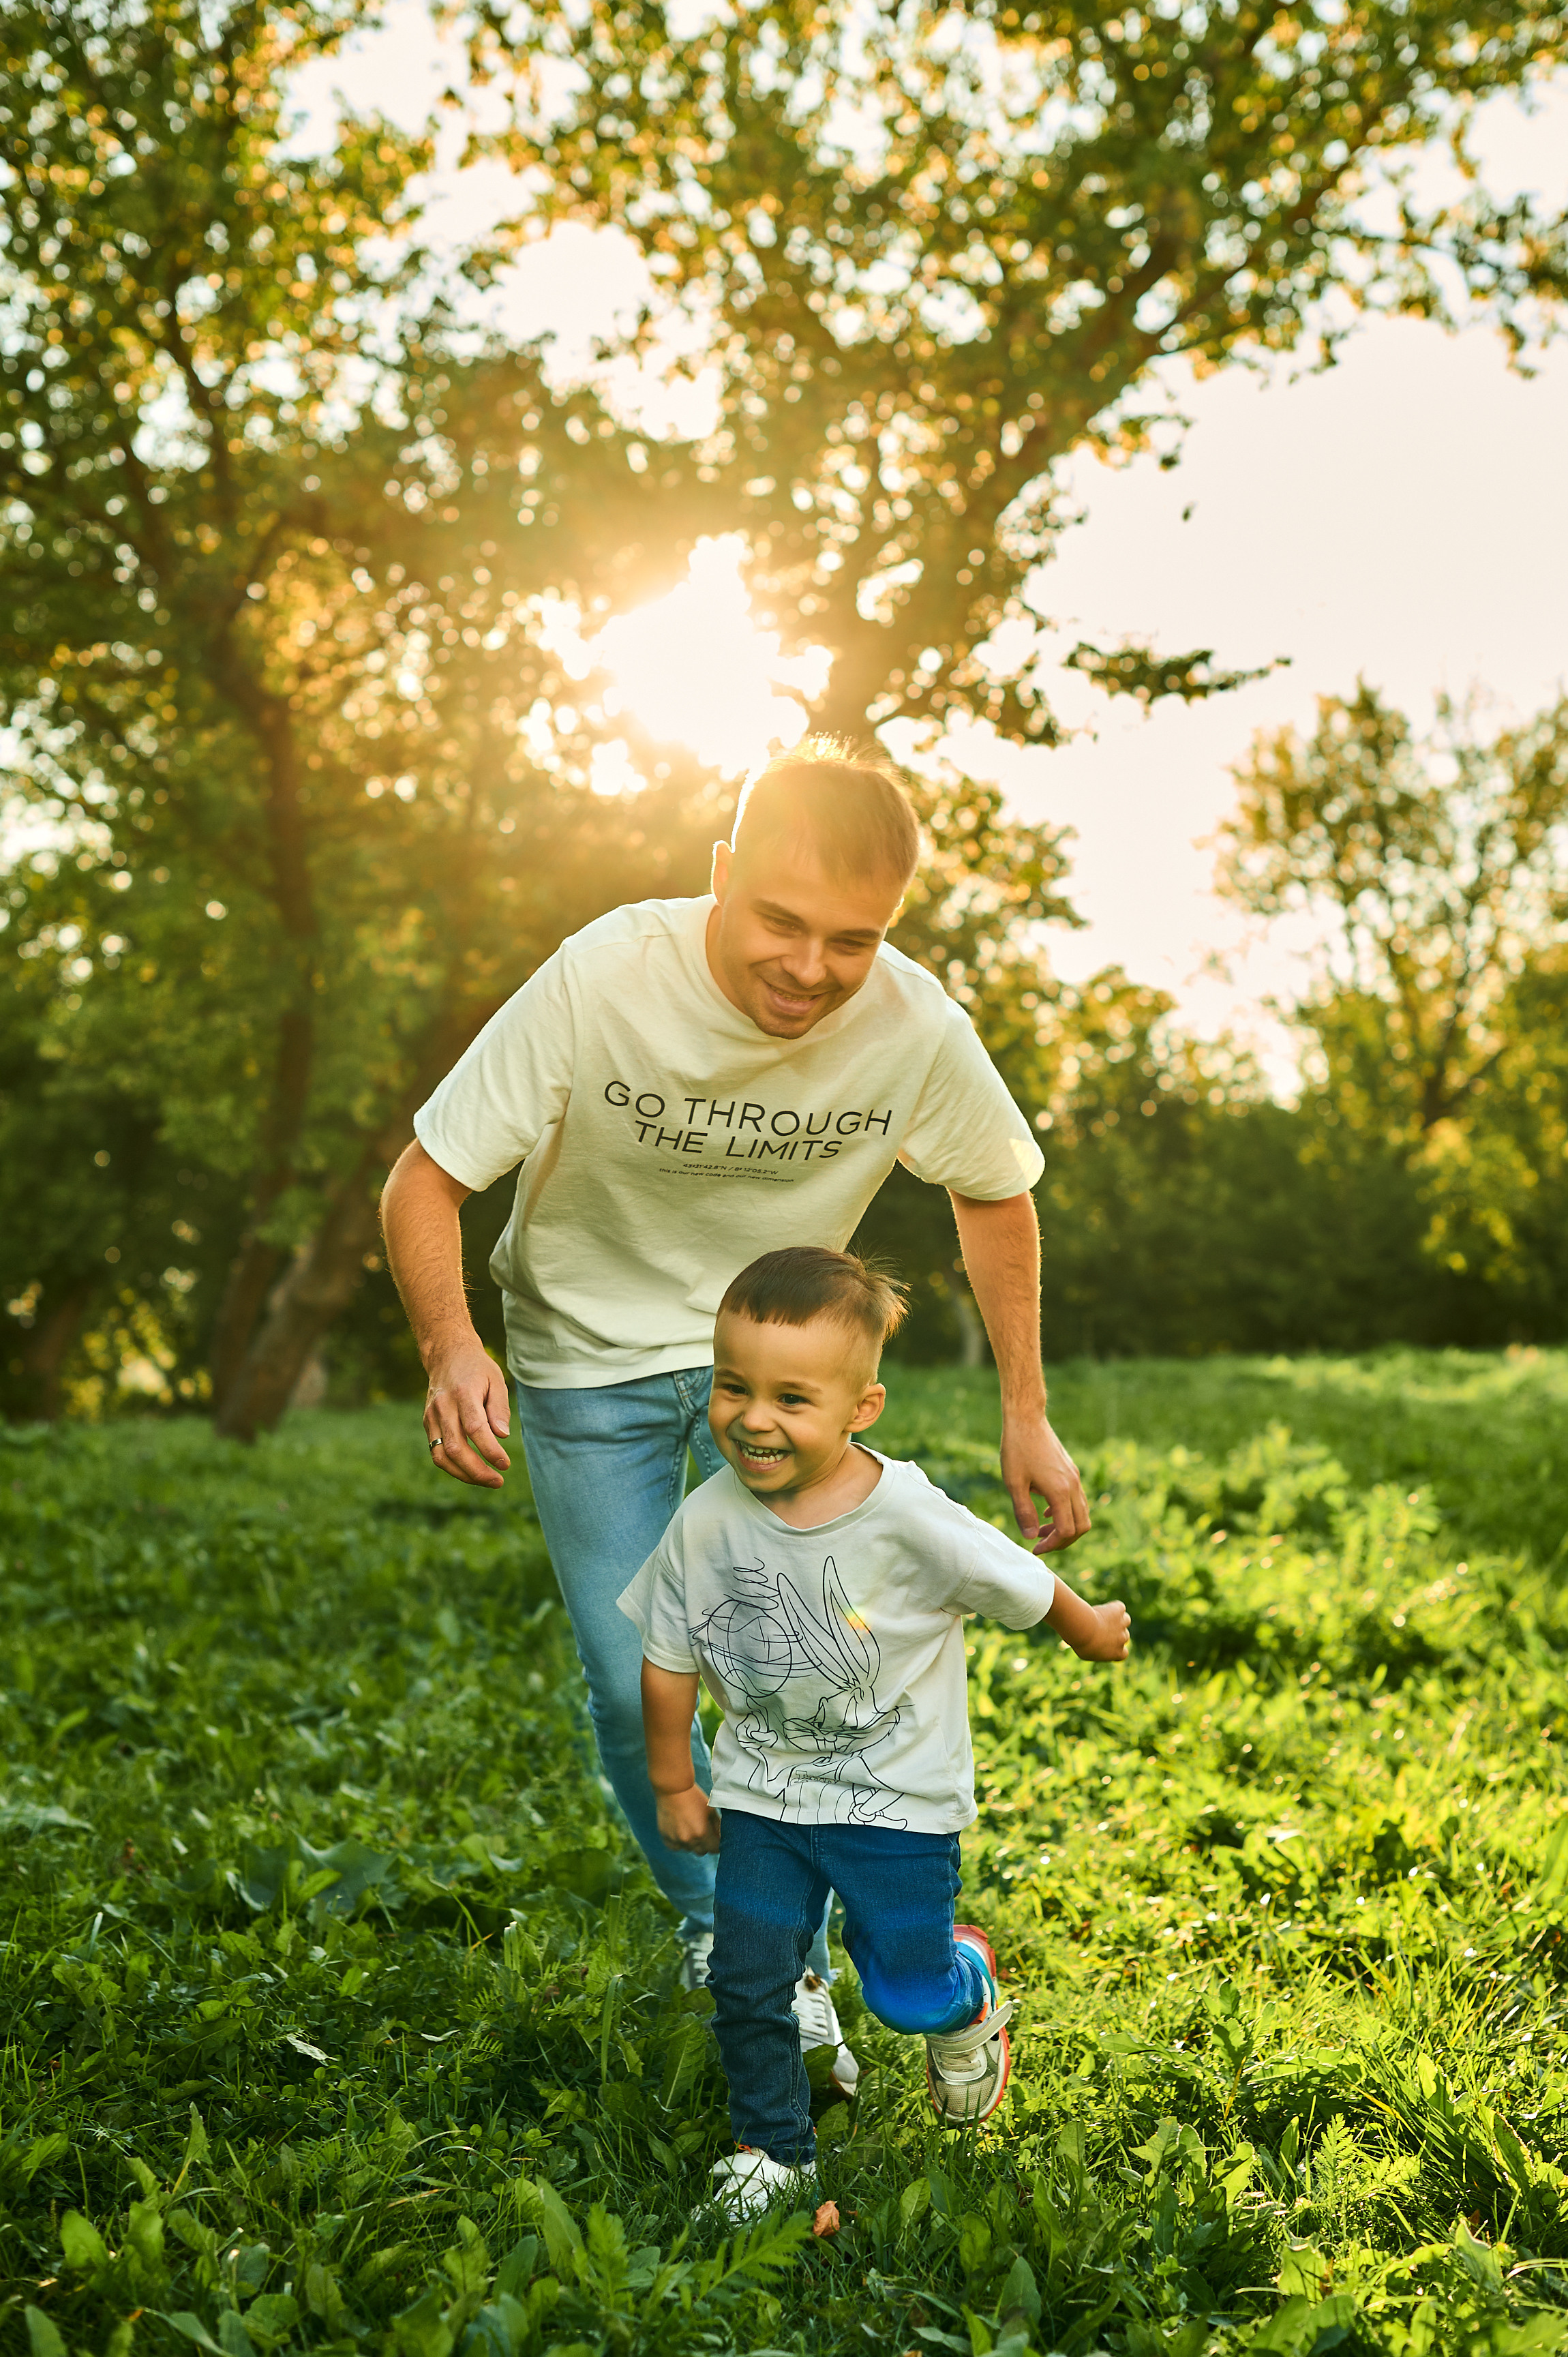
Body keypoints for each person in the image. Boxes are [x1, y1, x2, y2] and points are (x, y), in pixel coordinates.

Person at [379, 738, 1092, 2066]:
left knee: (797, 1663)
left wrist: (1025, 1410)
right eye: (779, 920)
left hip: (775, 1382)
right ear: (721, 874)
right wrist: (450, 1347)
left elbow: (993, 1186)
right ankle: (728, 1923)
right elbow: (424, 1175)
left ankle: (801, 1944)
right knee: (628, 1670)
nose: (811, 968)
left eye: (851, 939)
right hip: (583, 1363)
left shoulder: (915, 1027)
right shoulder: (604, 979)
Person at [620, 1245, 1130, 2215]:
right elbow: (667, 1654)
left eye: (792, 1397)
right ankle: (775, 2150)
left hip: (896, 1805)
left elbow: (1018, 1577)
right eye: (734, 1385)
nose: (754, 1417)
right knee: (747, 1973)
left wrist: (1090, 1627)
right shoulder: (706, 1518)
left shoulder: (906, 1514)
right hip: (764, 1799)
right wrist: (676, 1782)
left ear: (864, 1407)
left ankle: (963, 1986)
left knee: (903, 1989)